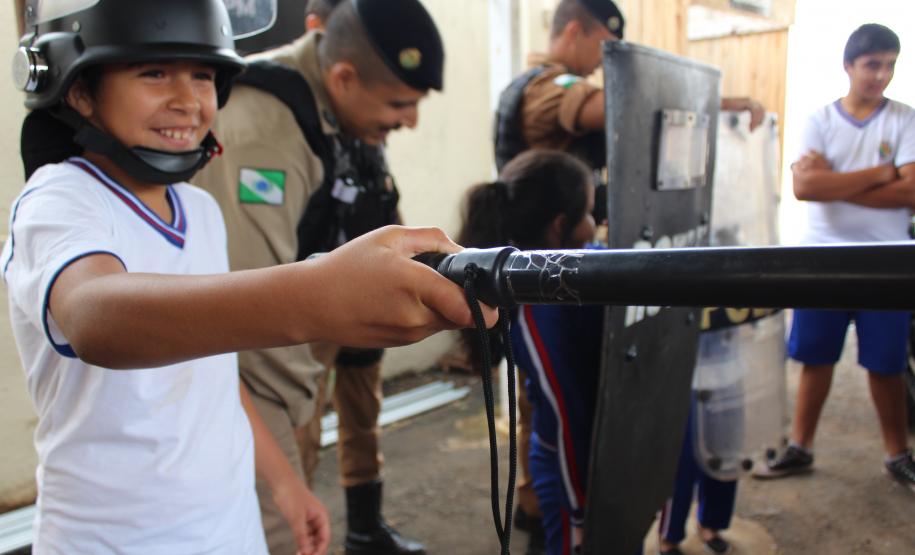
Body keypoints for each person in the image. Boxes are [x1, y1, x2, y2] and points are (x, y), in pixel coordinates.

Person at [3, 1, 495, 553]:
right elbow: (96, 316)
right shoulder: (59, 200)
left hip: (228, 526)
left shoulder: (199, 210)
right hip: (113, 539)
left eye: (204, 75)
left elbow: (215, 371)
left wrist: (286, 483)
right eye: (154, 72)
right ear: (76, 88)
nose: (187, 99)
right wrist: (317, 294)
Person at [193, 0, 440, 553]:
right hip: (251, 376)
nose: (410, 120)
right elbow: (251, 309)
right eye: (400, 103)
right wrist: (296, 421)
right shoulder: (266, 131)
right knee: (281, 530)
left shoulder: (332, 107)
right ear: (345, 77)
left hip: (291, 354)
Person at [753, 23, 915, 490]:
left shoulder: (903, 118)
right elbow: (805, 188)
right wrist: (884, 174)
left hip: (888, 261)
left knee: (886, 365)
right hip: (821, 258)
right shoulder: (819, 120)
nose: (881, 75)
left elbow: (912, 191)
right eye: (872, 65)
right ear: (849, 66)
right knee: (815, 358)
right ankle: (801, 446)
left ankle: (896, 453)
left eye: (889, 65)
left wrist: (837, 185)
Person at [458, 149, 602, 555]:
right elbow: (562, 412)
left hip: (586, 464)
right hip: (568, 475)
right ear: (560, 227)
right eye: (590, 212)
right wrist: (579, 510)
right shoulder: (541, 314)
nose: (597, 224)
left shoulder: (581, 274)